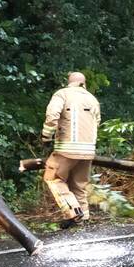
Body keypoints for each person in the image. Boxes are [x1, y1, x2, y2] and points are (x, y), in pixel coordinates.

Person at [41, 72, 101, 229]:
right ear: (84, 83)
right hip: (88, 150)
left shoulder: (62, 94)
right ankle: (84, 218)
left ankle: (74, 212)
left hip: (67, 148)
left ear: (69, 82)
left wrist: (46, 136)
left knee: (52, 177)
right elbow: (98, 122)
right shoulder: (92, 99)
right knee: (79, 185)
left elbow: (52, 115)